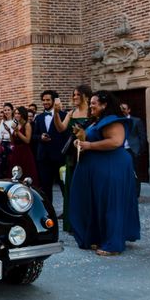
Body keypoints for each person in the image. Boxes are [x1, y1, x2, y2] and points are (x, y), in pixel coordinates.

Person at [69, 91, 140, 256]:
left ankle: (113, 244)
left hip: (112, 167)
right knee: (97, 203)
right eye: (91, 103)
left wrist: (88, 145)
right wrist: (80, 139)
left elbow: (116, 142)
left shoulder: (113, 121)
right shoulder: (96, 121)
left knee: (111, 203)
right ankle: (100, 237)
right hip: (99, 168)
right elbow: (92, 139)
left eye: (94, 103)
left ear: (104, 105)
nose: (91, 106)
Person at [52, 85, 91, 232]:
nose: (74, 97)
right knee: (71, 186)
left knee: (85, 187)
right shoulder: (71, 113)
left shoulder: (91, 112)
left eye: (77, 95)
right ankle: (71, 222)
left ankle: (85, 220)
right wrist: (56, 113)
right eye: (73, 94)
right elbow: (61, 128)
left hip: (87, 151)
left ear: (86, 96)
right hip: (72, 154)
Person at [32, 90, 68, 203]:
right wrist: (40, 137)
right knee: (46, 188)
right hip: (43, 157)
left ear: (54, 101)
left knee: (64, 186)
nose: (45, 102)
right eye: (43, 100)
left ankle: (67, 212)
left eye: (48, 100)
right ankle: (49, 214)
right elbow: (33, 136)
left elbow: (66, 135)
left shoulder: (64, 115)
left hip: (59, 157)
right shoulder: (39, 118)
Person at [119, 102, 147, 197]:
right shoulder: (118, 122)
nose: (122, 111)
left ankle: (135, 194)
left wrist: (139, 151)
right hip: (121, 150)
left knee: (135, 173)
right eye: (121, 109)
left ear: (129, 110)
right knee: (122, 172)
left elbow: (142, 137)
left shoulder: (136, 121)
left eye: (124, 109)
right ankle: (125, 193)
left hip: (133, 150)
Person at [7, 106, 40, 186]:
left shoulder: (27, 125)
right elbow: (12, 141)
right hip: (16, 152)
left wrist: (17, 131)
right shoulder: (16, 124)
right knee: (15, 173)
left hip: (25, 152)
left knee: (26, 173)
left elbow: (27, 140)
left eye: (18, 113)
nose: (16, 115)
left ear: (22, 114)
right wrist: (9, 131)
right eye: (15, 113)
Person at [0, 103, 14, 178]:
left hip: (11, 146)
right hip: (3, 147)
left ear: (12, 111)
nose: (6, 112)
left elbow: (12, 135)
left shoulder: (14, 122)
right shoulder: (3, 122)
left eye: (8, 110)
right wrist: (6, 135)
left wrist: (4, 135)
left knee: (10, 165)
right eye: (5, 110)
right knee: (2, 166)